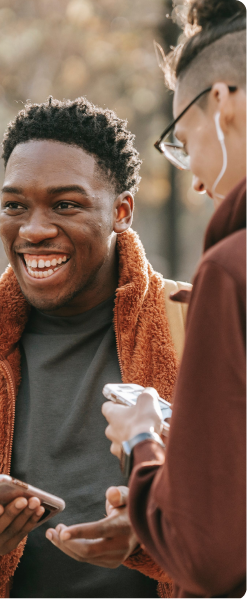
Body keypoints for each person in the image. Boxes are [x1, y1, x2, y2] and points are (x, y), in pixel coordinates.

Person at [0, 97, 187, 599]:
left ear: (121, 212)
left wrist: (150, 531)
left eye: (65, 205)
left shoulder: (199, 326)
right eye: (15, 205)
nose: (33, 229)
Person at [102, 0, 247, 598]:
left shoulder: (231, 271)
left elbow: (207, 553)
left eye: (183, 142)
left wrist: (143, 441)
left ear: (222, 103)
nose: (193, 179)